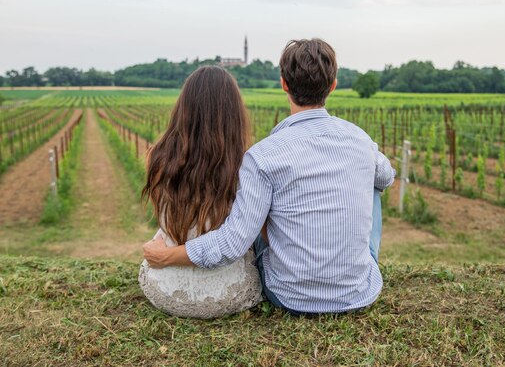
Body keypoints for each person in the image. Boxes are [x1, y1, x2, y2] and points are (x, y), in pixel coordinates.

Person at [143, 39, 395, 315]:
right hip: (359, 293)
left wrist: (168, 256)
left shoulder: (264, 156)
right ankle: (347, 272)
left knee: (265, 201)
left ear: (284, 84)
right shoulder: (358, 138)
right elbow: (386, 178)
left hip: (289, 296)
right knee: (374, 183)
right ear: (333, 86)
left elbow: (233, 242)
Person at [138, 65, 262, 319]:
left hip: (166, 290)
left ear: (183, 108)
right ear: (234, 114)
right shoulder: (247, 164)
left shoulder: (156, 158)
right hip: (229, 293)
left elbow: (169, 222)